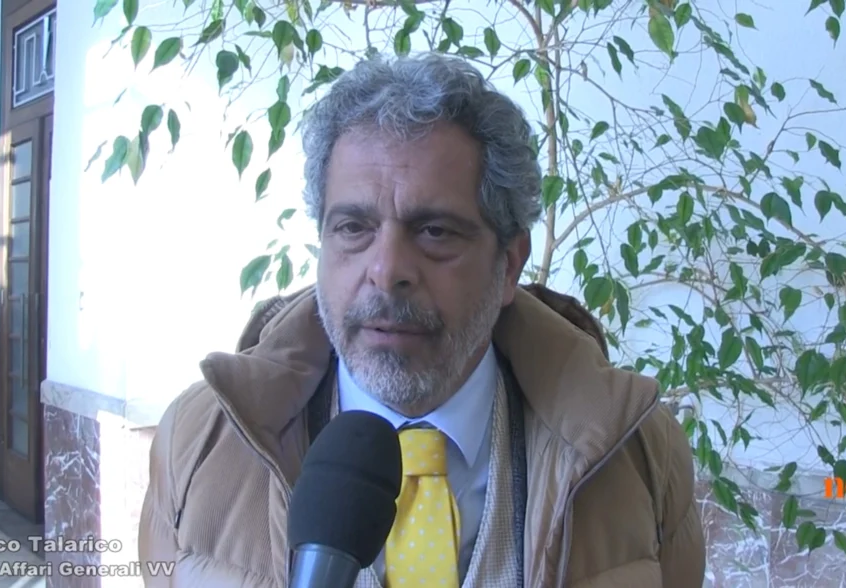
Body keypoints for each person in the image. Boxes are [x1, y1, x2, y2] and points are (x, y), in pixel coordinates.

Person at [138, 52, 705, 588]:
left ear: (509, 264)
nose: (386, 272)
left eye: (434, 232)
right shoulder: (199, 442)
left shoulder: (639, 455)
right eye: (353, 228)